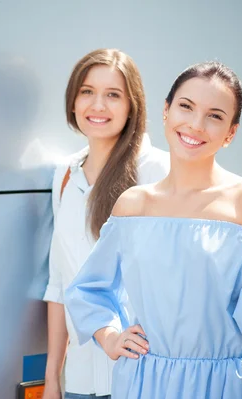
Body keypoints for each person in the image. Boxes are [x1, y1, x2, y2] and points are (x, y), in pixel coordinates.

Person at [65, 61, 242, 398]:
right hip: (144, 380)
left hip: (225, 384)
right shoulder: (134, 205)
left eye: (215, 116)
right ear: (166, 111)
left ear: (231, 133)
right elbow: (87, 288)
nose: (195, 124)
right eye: (185, 107)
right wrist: (111, 337)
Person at [42, 48, 169, 399]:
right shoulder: (65, 174)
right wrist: (53, 378)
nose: (98, 105)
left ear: (132, 106)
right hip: (81, 381)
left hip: (141, 373)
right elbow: (60, 283)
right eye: (87, 92)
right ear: (73, 101)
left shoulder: (157, 170)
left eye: (113, 95)